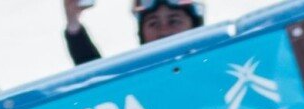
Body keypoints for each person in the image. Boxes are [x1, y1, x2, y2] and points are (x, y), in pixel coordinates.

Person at [64, 0, 205, 65]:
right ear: (142, 33)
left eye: (174, 21)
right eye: (153, 23)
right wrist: (74, 24)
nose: (164, 30)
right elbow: (96, 82)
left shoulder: (216, 68)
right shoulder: (139, 84)